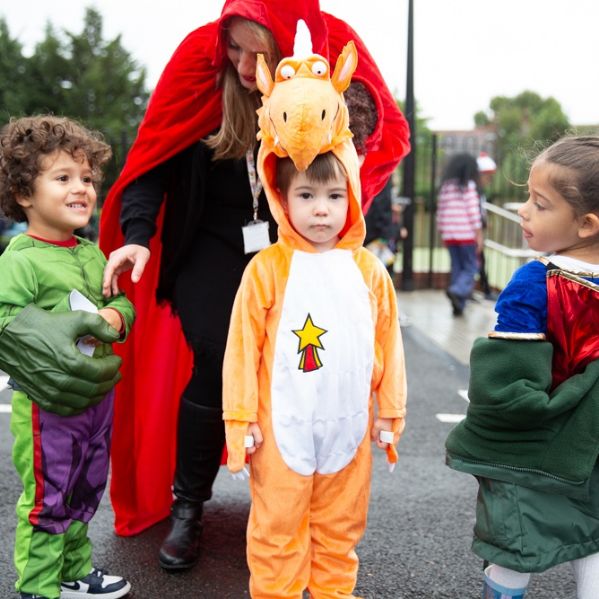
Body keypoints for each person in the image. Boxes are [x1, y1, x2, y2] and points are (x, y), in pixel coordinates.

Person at [98, 0, 410, 572]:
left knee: (303, 367)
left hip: (293, 249)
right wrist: (139, 233)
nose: (241, 64)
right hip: (210, 248)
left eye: (255, 50)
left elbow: (357, 154)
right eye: (233, 48)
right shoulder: (199, 72)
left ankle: (305, 506)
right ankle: (188, 504)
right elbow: (153, 159)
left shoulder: (317, 79)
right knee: (220, 356)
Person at [222, 38, 406, 597]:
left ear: (352, 193)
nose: (320, 209)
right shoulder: (268, 270)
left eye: (333, 194)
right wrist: (240, 418)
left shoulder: (370, 270)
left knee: (339, 533)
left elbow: (389, 344)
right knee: (277, 533)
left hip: (347, 427)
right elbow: (242, 347)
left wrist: (389, 412)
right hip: (282, 431)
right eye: (305, 194)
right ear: (282, 197)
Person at [445, 136, 599, 598]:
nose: (524, 211)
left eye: (539, 203)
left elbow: (507, 378)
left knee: (514, 545)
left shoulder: (537, 281)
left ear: (587, 224)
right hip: (590, 449)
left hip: (534, 449)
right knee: (593, 541)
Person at [0, 115, 135, 599]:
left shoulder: (93, 253)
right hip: (48, 407)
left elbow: (116, 301)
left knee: (86, 489)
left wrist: (119, 316)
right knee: (48, 497)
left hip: (96, 398)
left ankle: (74, 572)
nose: (81, 188)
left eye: (87, 179)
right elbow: (5, 317)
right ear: (23, 194)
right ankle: (37, 586)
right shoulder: (21, 258)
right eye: (63, 178)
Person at [436, 152, 483, 316]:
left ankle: (459, 305)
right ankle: (458, 290)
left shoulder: (446, 187)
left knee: (457, 267)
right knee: (471, 267)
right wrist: (479, 235)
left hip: (450, 236)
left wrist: (443, 231)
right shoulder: (468, 186)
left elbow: (440, 212)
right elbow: (474, 213)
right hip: (466, 235)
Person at [476, 151, 498, 300]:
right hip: (473, 232)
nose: (488, 180)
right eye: (487, 177)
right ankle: (486, 290)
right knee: (478, 261)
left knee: (478, 261)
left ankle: (485, 289)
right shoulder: (474, 190)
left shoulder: (478, 190)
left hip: (475, 229)